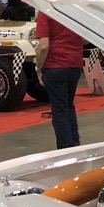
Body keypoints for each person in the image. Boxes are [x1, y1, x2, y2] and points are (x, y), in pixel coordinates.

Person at [35, 11, 85, 149]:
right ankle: (74, 142)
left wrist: (38, 68)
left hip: (55, 64)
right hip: (75, 63)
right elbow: (85, 38)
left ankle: (65, 146)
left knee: (59, 108)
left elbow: (43, 46)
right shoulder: (73, 12)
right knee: (69, 105)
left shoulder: (45, 13)